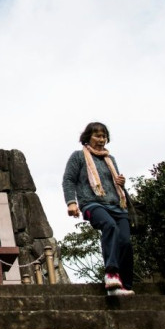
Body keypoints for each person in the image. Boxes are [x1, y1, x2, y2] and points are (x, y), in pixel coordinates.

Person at [62, 122, 134, 296]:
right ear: (88, 137)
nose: (101, 139)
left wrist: (121, 184)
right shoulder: (78, 157)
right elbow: (69, 180)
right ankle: (111, 274)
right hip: (91, 203)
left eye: (104, 136)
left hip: (116, 205)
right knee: (109, 226)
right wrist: (71, 202)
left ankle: (122, 286)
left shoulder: (111, 160)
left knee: (125, 242)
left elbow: (114, 185)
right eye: (97, 136)